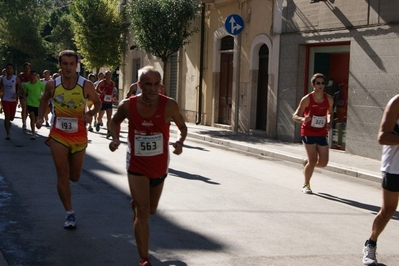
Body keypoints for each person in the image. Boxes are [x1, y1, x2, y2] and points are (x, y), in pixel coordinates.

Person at [109, 66, 187, 266]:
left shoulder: (169, 105)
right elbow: (114, 121)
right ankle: (144, 258)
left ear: (160, 85)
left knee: (151, 210)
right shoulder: (128, 105)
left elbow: (182, 127)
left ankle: (138, 203)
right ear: (139, 85)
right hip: (136, 161)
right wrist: (116, 139)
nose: (152, 89)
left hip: (159, 163)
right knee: (143, 211)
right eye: (147, 84)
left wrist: (180, 142)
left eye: (156, 84)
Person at [36, 50, 101, 229]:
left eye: (72, 64)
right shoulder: (52, 85)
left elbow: (98, 102)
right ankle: (69, 213)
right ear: (60, 65)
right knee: (62, 172)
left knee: (75, 176)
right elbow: (43, 101)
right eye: (64, 64)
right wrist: (41, 117)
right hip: (58, 134)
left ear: (76, 65)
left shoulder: (85, 85)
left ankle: (69, 200)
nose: (68, 68)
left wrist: (91, 113)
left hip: (79, 136)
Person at [362, 94, 399, 265]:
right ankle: (371, 244)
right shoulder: (396, 103)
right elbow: (382, 137)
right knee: (387, 211)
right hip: (394, 168)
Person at [292, 73, 333, 194]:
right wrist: (303, 119)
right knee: (313, 160)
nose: (321, 85)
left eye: (322, 83)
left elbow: (330, 113)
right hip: (308, 132)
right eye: (318, 83)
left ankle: (307, 164)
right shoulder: (306, 99)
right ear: (313, 85)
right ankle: (306, 184)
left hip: (321, 132)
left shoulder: (329, 99)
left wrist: (329, 122)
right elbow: (295, 115)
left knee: (323, 163)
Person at [0, 64, 22, 140]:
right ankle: (8, 133)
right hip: (5, 100)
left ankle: (9, 122)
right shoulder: (3, 79)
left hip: (13, 100)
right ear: (6, 70)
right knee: (7, 116)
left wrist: (17, 94)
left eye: (10, 68)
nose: (9, 70)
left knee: (11, 118)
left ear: (12, 70)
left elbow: (20, 88)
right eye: (8, 68)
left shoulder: (16, 78)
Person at [23, 70, 45, 139]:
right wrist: (24, 99)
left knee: (35, 119)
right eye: (32, 75)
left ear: (37, 76)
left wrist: (42, 99)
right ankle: (33, 133)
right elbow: (24, 93)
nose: (34, 76)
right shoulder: (27, 85)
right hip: (30, 103)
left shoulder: (40, 84)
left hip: (38, 104)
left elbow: (46, 91)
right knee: (32, 118)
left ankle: (34, 127)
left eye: (35, 75)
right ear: (30, 76)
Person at [95, 70, 114, 137]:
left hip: (109, 102)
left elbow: (112, 92)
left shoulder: (112, 83)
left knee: (109, 117)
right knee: (100, 116)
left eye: (110, 75)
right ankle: (98, 122)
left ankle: (108, 131)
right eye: (107, 75)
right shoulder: (102, 82)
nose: (108, 76)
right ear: (105, 75)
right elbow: (96, 89)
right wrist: (101, 93)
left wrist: (113, 97)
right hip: (102, 101)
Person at [18, 62, 32, 131]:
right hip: (22, 94)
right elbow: (18, 85)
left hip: (30, 95)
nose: (27, 70)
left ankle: (25, 120)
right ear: (24, 69)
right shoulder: (21, 76)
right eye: (26, 68)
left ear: (30, 69)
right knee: (24, 108)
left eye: (28, 68)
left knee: (27, 110)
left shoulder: (32, 76)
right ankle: (24, 123)